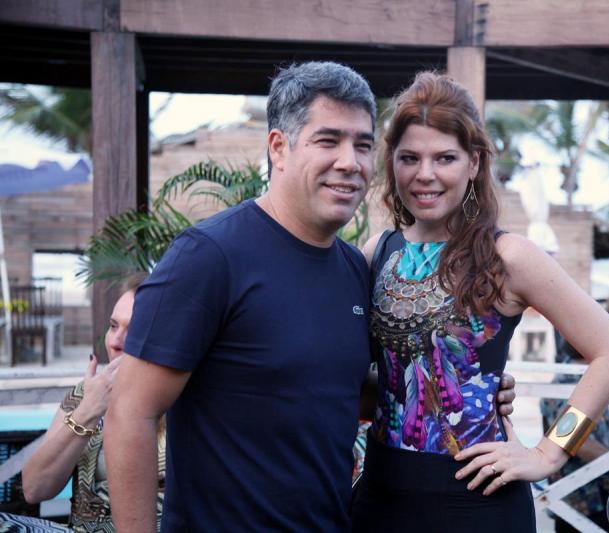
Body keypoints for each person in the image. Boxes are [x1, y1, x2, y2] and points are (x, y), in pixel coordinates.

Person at [104, 62, 516, 533]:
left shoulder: (354, 268)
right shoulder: (210, 256)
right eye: (328, 140)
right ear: (279, 148)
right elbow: (130, 412)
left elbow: (334, 389)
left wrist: (467, 385)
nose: (349, 162)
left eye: (363, 145)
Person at [350, 72, 609, 532]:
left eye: (445, 157)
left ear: (474, 163)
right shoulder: (375, 253)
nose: (425, 174)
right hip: (380, 499)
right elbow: (365, 378)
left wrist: (549, 453)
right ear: (392, 163)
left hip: (478, 504)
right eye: (410, 158)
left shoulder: (508, 257)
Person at [8, 274, 166, 533]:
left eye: (134, 330)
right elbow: (34, 489)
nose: (115, 342)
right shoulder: (87, 393)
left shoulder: (187, 401)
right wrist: (88, 411)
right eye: (113, 326)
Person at [540, 341, 609, 533]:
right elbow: (572, 438)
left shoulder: (578, 378)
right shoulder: (572, 383)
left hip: (584, 492)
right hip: (585, 494)